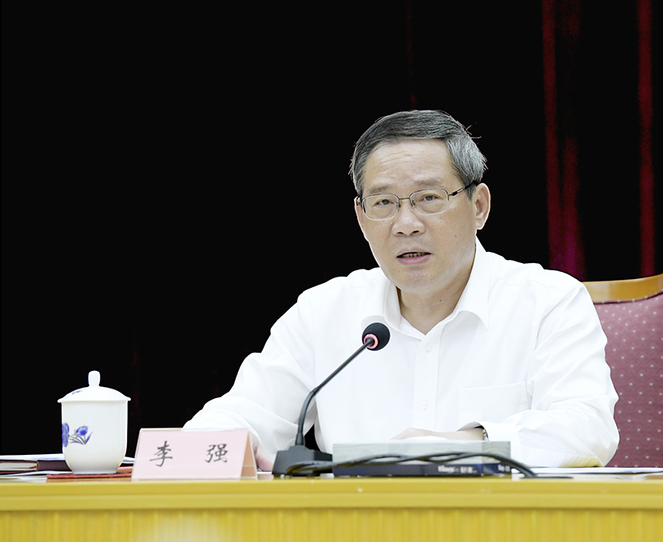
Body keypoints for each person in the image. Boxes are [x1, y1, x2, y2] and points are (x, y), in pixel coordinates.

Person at [184, 110, 619, 470]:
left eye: (429, 198)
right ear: (361, 219)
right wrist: (222, 444)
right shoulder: (324, 312)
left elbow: (587, 429)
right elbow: (241, 416)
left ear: (479, 206)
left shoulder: (548, 302)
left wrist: (465, 443)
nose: (406, 224)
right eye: (384, 203)